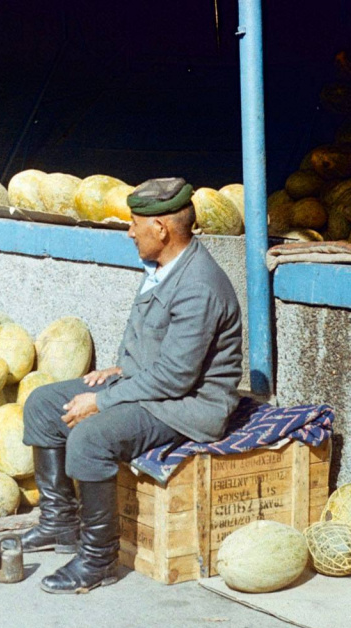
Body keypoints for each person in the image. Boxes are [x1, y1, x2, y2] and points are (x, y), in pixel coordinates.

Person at [22, 177, 243, 594]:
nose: (129, 232)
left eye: (135, 223)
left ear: (160, 229)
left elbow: (177, 377)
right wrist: (119, 369)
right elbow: (152, 343)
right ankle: (58, 523)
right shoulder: (166, 266)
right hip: (153, 387)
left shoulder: (198, 284)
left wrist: (103, 401)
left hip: (189, 406)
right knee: (41, 404)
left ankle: (98, 559)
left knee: (90, 436)